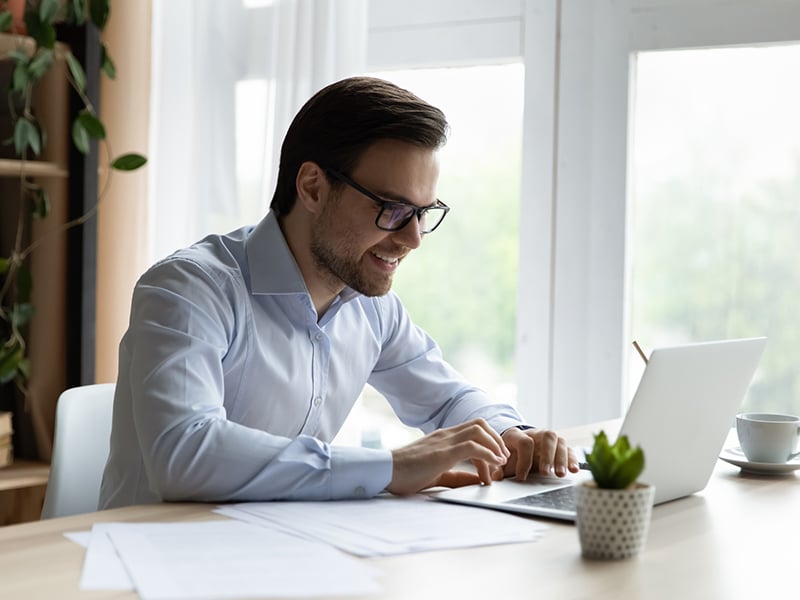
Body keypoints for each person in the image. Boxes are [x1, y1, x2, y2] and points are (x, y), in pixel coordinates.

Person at [99, 76, 579, 510]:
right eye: (392, 209)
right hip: (155, 566)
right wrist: (392, 468)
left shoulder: (370, 307)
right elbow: (186, 453)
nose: (412, 239)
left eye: (422, 213)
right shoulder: (189, 290)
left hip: (281, 557)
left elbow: (447, 401)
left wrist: (512, 434)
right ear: (312, 186)